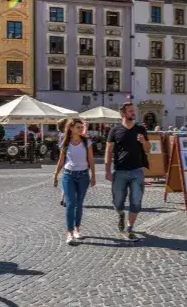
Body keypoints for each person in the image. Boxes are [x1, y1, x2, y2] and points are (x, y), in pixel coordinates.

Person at [105, 102, 148, 240]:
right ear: (123, 114)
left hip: (137, 171)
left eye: (133, 110)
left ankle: (129, 227)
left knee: (136, 200)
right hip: (120, 171)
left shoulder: (140, 129)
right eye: (130, 111)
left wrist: (144, 142)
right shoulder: (115, 130)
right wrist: (107, 170)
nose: (133, 113)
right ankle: (121, 214)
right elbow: (108, 150)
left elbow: (148, 149)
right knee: (118, 202)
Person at [52, 118, 96, 244]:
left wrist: (93, 175)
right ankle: (69, 232)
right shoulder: (65, 142)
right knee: (70, 204)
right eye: (78, 127)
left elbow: (91, 160)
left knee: (79, 204)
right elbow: (61, 161)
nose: (81, 129)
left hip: (83, 176)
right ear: (71, 128)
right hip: (68, 175)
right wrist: (55, 175)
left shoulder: (86, 141)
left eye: (81, 127)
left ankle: (77, 229)